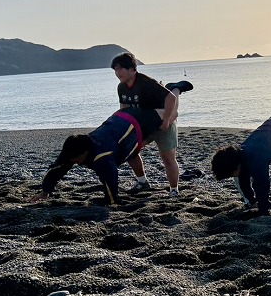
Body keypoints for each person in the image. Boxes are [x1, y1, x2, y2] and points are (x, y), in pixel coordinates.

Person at [33, 107, 162, 205]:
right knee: (132, 154)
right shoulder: (72, 148)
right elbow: (57, 168)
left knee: (159, 117)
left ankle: (143, 181)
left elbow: (110, 179)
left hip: (137, 124)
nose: (75, 162)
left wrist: (112, 200)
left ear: (86, 152)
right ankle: (143, 182)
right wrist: (45, 191)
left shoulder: (102, 156)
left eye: (77, 159)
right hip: (119, 117)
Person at [110, 52, 193, 197]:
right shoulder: (121, 87)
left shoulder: (146, 83)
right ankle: (142, 182)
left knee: (168, 157)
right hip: (143, 125)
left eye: (120, 68)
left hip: (163, 120)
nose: (117, 73)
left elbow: (170, 99)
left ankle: (174, 189)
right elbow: (124, 108)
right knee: (131, 151)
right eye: (115, 69)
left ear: (132, 69)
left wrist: (166, 121)